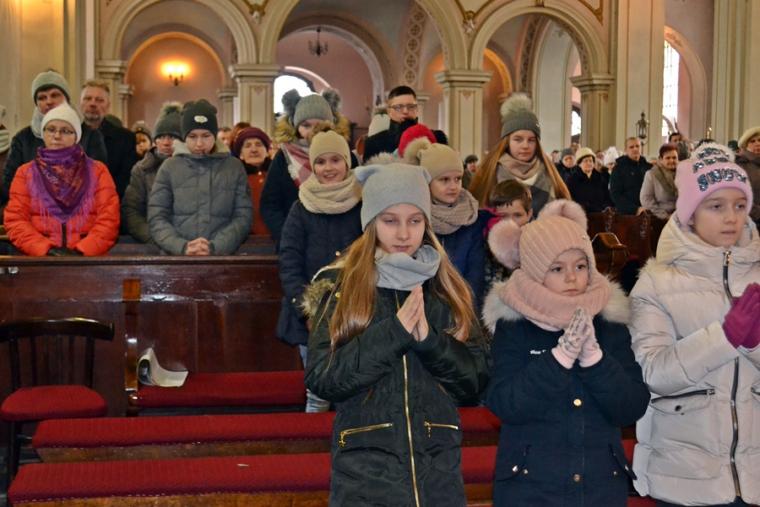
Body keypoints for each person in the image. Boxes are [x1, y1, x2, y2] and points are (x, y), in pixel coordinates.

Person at [303, 162, 489, 506]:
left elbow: (474, 383)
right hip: (365, 474)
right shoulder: (342, 288)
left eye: (415, 221)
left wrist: (430, 342)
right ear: (371, 223)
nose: (404, 234)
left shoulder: (447, 289)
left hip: (437, 472)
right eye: (390, 221)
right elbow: (322, 377)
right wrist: (395, 333)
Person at [483, 199, 650, 506]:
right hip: (530, 488)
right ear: (535, 272)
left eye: (581, 266)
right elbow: (505, 404)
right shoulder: (514, 325)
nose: (572, 277)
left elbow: (631, 407)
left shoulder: (609, 322)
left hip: (600, 488)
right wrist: (558, 360)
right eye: (557, 268)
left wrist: (595, 361)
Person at [630, 142, 760, 507]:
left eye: (740, 205)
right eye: (716, 206)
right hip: (684, 477)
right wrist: (724, 338)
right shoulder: (656, 282)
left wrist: (754, 345)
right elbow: (654, 373)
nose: (731, 218)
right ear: (690, 212)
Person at [278, 126, 362, 412]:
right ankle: (313, 439)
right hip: (312, 317)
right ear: (312, 166)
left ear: (347, 162)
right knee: (317, 392)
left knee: (352, 390)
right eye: (321, 162)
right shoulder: (301, 207)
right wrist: (306, 310)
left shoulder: (363, 203)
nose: (329, 168)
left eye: (335, 160)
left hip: (355, 313)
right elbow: (289, 261)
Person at [4, 103, 119, 256]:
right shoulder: (25, 173)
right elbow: (16, 220)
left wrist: (83, 250)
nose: (57, 136)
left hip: (87, 260)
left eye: (65, 131)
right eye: (51, 129)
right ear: (43, 133)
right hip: (39, 260)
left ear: (76, 136)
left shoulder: (98, 171)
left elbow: (109, 219)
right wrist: (45, 249)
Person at [148, 99, 252, 255]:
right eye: (192, 136)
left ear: (214, 136)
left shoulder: (234, 167)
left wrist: (216, 246)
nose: (199, 143)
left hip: (223, 257)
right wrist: (182, 246)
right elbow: (157, 216)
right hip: (176, 258)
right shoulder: (169, 167)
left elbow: (243, 216)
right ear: (184, 137)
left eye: (206, 136)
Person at [260, 88, 355, 248]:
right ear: (296, 127)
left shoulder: (345, 155)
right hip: (295, 242)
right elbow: (270, 205)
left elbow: (356, 197)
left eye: (319, 125)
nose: (313, 131)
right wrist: (288, 237)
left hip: (342, 242)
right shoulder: (284, 157)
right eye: (306, 125)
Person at [2, 70, 106, 207]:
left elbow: (96, 181)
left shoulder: (90, 136)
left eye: (55, 95)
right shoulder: (23, 139)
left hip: (80, 211)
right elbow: (10, 184)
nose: (49, 101)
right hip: (32, 211)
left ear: (67, 98)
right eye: (42, 98)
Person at [404, 136, 487, 308]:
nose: (453, 186)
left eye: (458, 179)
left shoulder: (471, 217)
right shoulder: (414, 217)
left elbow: (475, 273)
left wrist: (466, 310)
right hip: (421, 307)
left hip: (462, 305)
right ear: (427, 182)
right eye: (444, 179)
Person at [469, 92, 571, 216]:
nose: (525, 145)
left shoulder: (550, 174)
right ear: (507, 141)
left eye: (531, 140)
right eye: (518, 139)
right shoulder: (489, 174)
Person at [122, 102, 182, 244]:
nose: (166, 143)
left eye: (172, 137)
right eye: (161, 137)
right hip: (153, 241)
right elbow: (131, 210)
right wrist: (153, 237)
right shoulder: (142, 169)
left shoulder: (192, 167)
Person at [80, 80, 137, 198]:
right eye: (88, 98)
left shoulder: (125, 138)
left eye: (99, 100)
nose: (93, 103)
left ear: (108, 106)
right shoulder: (70, 136)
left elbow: (126, 179)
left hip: (112, 200)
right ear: (80, 103)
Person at [363, 85, 446, 161]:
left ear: (417, 109)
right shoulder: (372, 143)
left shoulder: (437, 138)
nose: (405, 111)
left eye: (411, 106)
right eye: (398, 107)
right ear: (389, 112)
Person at [482, 180, 533, 292]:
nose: (511, 222)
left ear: (529, 214)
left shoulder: (539, 244)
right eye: (503, 216)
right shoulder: (483, 246)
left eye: (517, 215)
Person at [231, 126, 272, 236]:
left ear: (267, 151)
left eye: (258, 144)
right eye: (248, 146)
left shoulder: (278, 175)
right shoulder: (234, 178)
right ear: (241, 155)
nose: (254, 150)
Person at [609, 137, 652, 215]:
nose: (635, 149)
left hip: (649, 210)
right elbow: (615, 194)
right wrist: (635, 209)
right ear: (626, 150)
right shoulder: (618, 168)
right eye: (631, 147)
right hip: (628, 214)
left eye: (637, 146)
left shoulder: (648, 167)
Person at [639, 143, 679, 220]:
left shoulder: (683, 174)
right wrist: (665, 216)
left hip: (682, 216)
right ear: (661, 159)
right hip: (660, 218)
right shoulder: (651, 175)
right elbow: (646, 199)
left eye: (674, 158)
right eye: (668, 158)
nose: (671, 160)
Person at [567, 147, 613, 213]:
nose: (589, 163)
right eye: (585, 161)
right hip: (582, 214)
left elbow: (607, 196)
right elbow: (571, 199)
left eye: (591, 161)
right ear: (579, 164)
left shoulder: (600, 178)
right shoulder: (572, 180)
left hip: (600, 214)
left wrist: (606, 207)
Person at [736, 125, 760, 226]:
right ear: (745, 146)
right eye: (752, 141)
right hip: (751, 221)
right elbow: (740, 194)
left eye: (759, 140)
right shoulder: (740, 164)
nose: (757, 143)